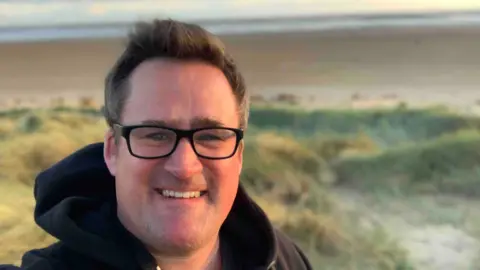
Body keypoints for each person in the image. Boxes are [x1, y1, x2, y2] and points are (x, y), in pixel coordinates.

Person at [0, 19, 313, 270]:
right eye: (155, 134)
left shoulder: (281, 259)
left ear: (239, 155)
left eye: (211, 136)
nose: (183, 167)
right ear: (112, 151)